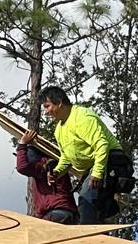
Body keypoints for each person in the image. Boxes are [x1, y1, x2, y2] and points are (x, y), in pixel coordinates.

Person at [35, 84, 131, 226]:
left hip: (111, 162)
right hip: (96, 166)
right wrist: (57, 172)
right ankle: (101, 235)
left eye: (47, 106)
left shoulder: (82, 117)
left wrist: (97, 173)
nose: (46, 112)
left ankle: (91, 241)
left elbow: (101, 144)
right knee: (93, 206)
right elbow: (66, 157)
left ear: (59, 103)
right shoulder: (59, 130)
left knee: (87, 200)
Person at [15, 139, 78, 224]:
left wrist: (22, 144)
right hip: (67, 214)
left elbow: (22, 167)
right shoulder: (58, 166)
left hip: (55, 213)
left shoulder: (45, 167)